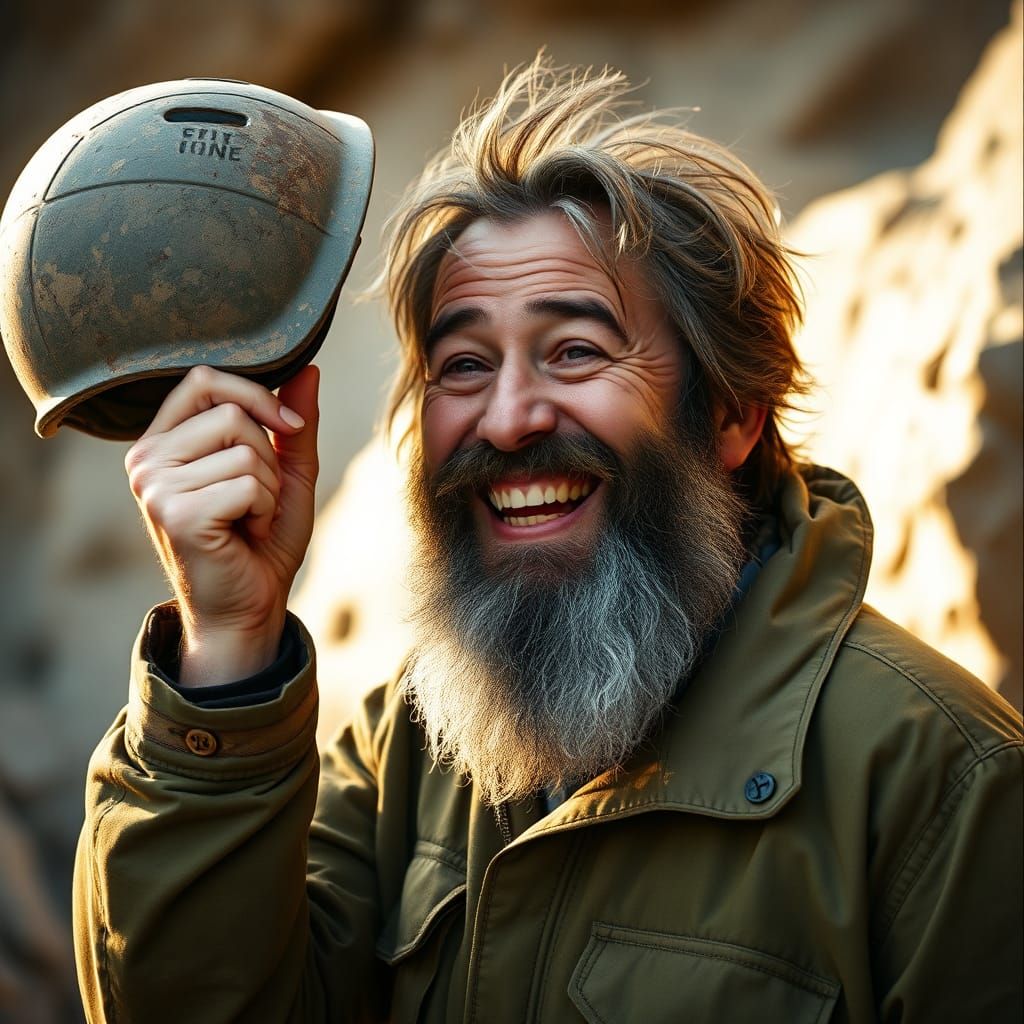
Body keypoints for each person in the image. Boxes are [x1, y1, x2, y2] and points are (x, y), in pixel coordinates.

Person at [73, 60, 1022, 1023]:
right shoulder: (410, 751)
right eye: (464, 364)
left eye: (576, 350)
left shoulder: (944, 783)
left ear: (733, 412)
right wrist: (227, 644)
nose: (510, 417)